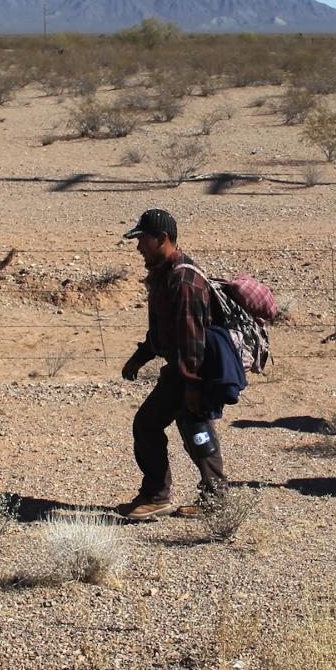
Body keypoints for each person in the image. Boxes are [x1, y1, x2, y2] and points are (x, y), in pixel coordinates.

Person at [117, 208, 228, 521]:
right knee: (196, 429)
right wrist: (141, 357)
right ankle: (216, 496)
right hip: (186, 368)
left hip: (191, 369)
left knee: (148, 424)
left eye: (143, 240)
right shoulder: (168, 274)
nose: (138, 247)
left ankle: (156, 495)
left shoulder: (183, 279)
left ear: (162, 239)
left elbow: (191, 336)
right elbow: (165, 329)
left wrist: (192, 383)